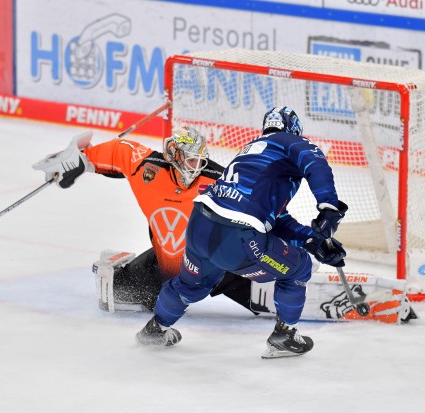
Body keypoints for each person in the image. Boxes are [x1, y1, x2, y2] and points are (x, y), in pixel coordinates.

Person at [135, 106, 349, 359]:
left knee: (191, 285)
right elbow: (315, 162)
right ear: (295, 129)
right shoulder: (292, 142)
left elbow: (277, 220)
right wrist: (329, 210)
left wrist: (313, 241)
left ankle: (155, 329)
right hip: (239, 237)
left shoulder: (251, 153)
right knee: (299, 268)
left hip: (199, 226)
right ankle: (285, 336)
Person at [33, 126, 256, 313]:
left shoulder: (219, 179)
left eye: (200, 162)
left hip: (214, 267)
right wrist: (80, 160)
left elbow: (256, 198)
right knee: (114, 291)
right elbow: (118, 150)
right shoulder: (148, 169)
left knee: (270, 293)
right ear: (174, 155)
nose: (195, 169)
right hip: (166, 269)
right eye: (190, 161)